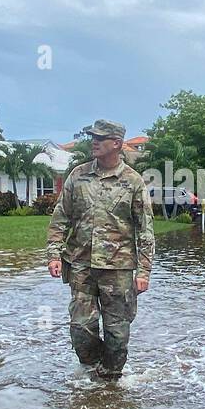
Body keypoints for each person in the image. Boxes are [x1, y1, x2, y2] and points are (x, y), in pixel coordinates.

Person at [46, 119, 155, 380]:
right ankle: (93, 377)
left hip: (118, 269)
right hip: (81, 265)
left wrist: (144, 271)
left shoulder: (133, 182)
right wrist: (54, 253)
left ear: (116, 144)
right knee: (81, 329)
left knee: (117, 335)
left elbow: (145, 229)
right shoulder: (78, 175)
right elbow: (61, 217)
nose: (93, 141)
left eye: (100, 138)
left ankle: (110, 383)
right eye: (92, 136)